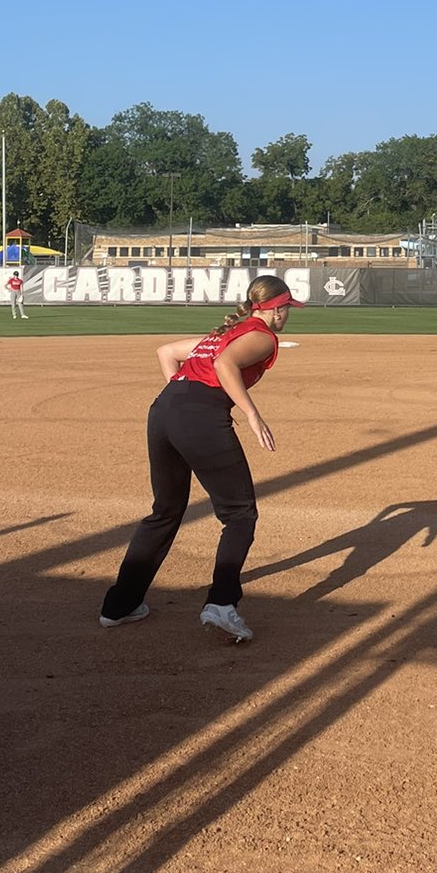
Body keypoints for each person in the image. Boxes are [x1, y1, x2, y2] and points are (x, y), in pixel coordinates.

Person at [98, 274, 304, 643]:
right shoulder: (260, 336)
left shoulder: (224, 332)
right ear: (275, 310)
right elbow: (225, 365)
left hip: (164, 410)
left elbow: (167, 352)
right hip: (199, 417)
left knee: (164, 510)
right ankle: (222, 604)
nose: (288, 314)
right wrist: (252, 414)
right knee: (240, 514)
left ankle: (120, 606)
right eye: (286, 307)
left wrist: (182, 401)